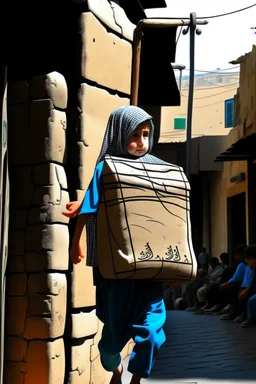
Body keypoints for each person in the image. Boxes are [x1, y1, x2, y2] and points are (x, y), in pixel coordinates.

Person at [63, 106, 168, 384]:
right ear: (118, 134)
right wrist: (77, 242)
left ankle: (135, 379)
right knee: (111, 338)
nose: (141, 142)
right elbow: (90, 206)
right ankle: (115, 368)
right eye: (134, 135)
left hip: (150, 268)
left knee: (152, 331)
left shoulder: (160, 169)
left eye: (146, 134)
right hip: (115, 269)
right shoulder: (106, 168)